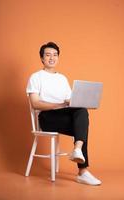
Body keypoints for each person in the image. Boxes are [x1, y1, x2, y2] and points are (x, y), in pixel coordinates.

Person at [26, 42, 101, 186]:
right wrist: (59, 105)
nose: (52, 58)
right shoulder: (36, 77)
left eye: (55, 55)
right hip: (46, 118)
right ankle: (83, 170)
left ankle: (78, 154)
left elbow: (70, 101)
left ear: (58, 58)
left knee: (82, 112)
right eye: (48, 55)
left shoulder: (62, 78)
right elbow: (35, 103)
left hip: (62, 116)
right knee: (81, 128)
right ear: (42, 58)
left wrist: (85, 102)